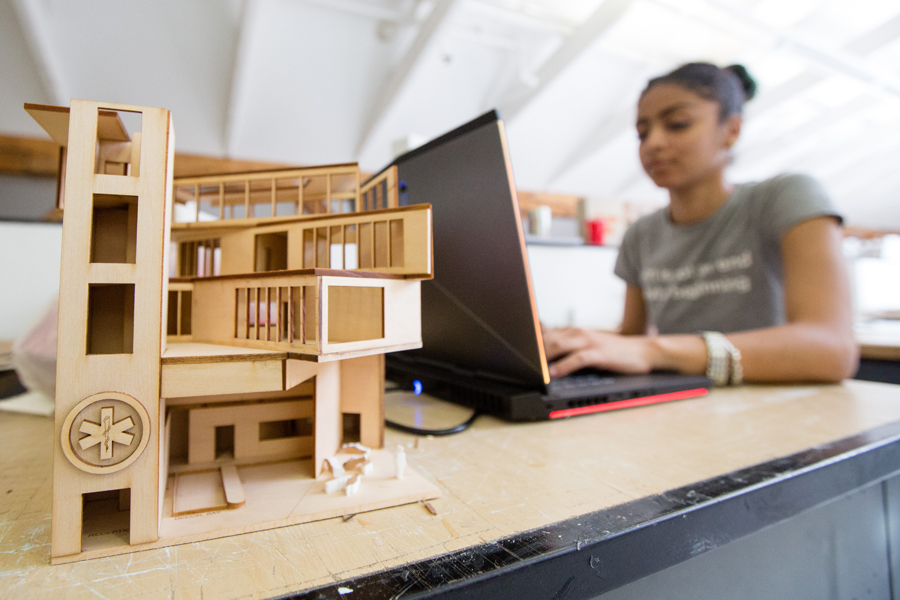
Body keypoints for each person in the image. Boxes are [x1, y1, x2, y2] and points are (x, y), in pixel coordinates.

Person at [543, 63, 858, 385]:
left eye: (677, 124)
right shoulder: (641, 234)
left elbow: (832, 349)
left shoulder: (786, 197)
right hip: (683, 408)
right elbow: (632, 337)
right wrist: (566, 343)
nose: (653, 143)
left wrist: (657, 351)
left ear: (731, 130)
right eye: (642, 133)